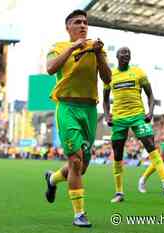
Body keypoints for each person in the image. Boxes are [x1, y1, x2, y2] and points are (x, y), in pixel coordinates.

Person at [43, 9, 111, 228]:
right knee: (75, 160)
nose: (83, 25)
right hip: (68, 107)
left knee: (80, 167)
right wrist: (73, 47)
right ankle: (79, 214)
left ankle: (52, 179)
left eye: (85, 22)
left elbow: (107, 78)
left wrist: (99, 54)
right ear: (68, 27)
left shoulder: (96, 48)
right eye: (77, 22)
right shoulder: (58, 48)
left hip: (90, 109)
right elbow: (50, 69)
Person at [103, 47, 164, 203]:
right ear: (117, 56)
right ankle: (119, 193)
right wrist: (107, 115)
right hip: (119, 119)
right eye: (123, 53)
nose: (126, 55)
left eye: (128, 54)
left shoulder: (139, 72)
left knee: (151, 146)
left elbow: (150, 95)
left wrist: (150, 112)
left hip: (138, 116)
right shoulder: (110, 75)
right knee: (117, 154)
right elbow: (105, 99)